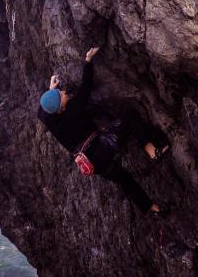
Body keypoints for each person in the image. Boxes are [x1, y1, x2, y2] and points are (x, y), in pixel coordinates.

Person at [37, 46, 168, 214]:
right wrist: (88, 60)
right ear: (61, 106)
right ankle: (152, 151)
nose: (63, 91)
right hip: (102, 147)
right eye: (61, 95)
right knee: (130, 117)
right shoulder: (74, 108)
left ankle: (151, 207)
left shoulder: (50, 119)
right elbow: (86, 86)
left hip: (91, 163)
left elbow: (42, 110)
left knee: (124, 179)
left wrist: (50, 91)